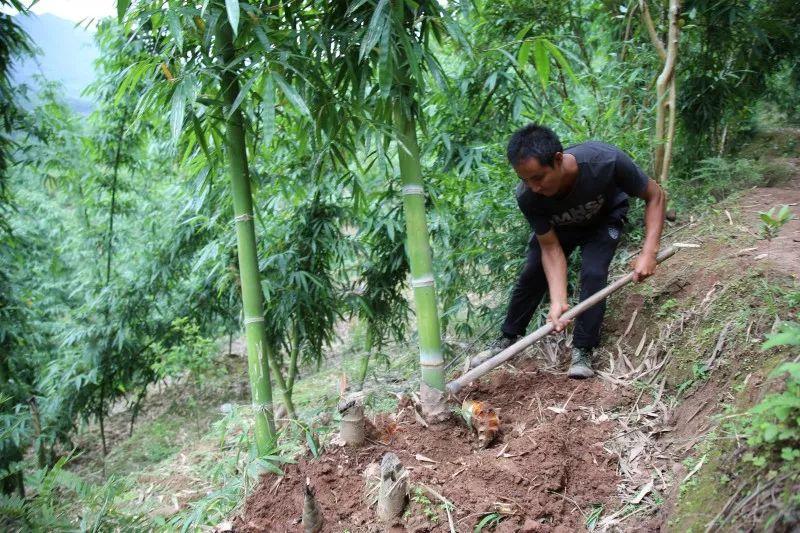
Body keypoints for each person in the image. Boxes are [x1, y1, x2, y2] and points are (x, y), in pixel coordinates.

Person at [483, 124, 666, 378]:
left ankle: (583, 349)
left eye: (538, 177)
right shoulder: (528, 196)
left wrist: (649, 252)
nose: (533, 186)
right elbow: (550, 247)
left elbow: (655, 195)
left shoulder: (605, 161)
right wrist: (558, 301)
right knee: (532, 272)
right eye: (525, 179)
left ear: (558, 159)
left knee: (593, 273)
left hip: (603, 222)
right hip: (560, 230)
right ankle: (507, 336)